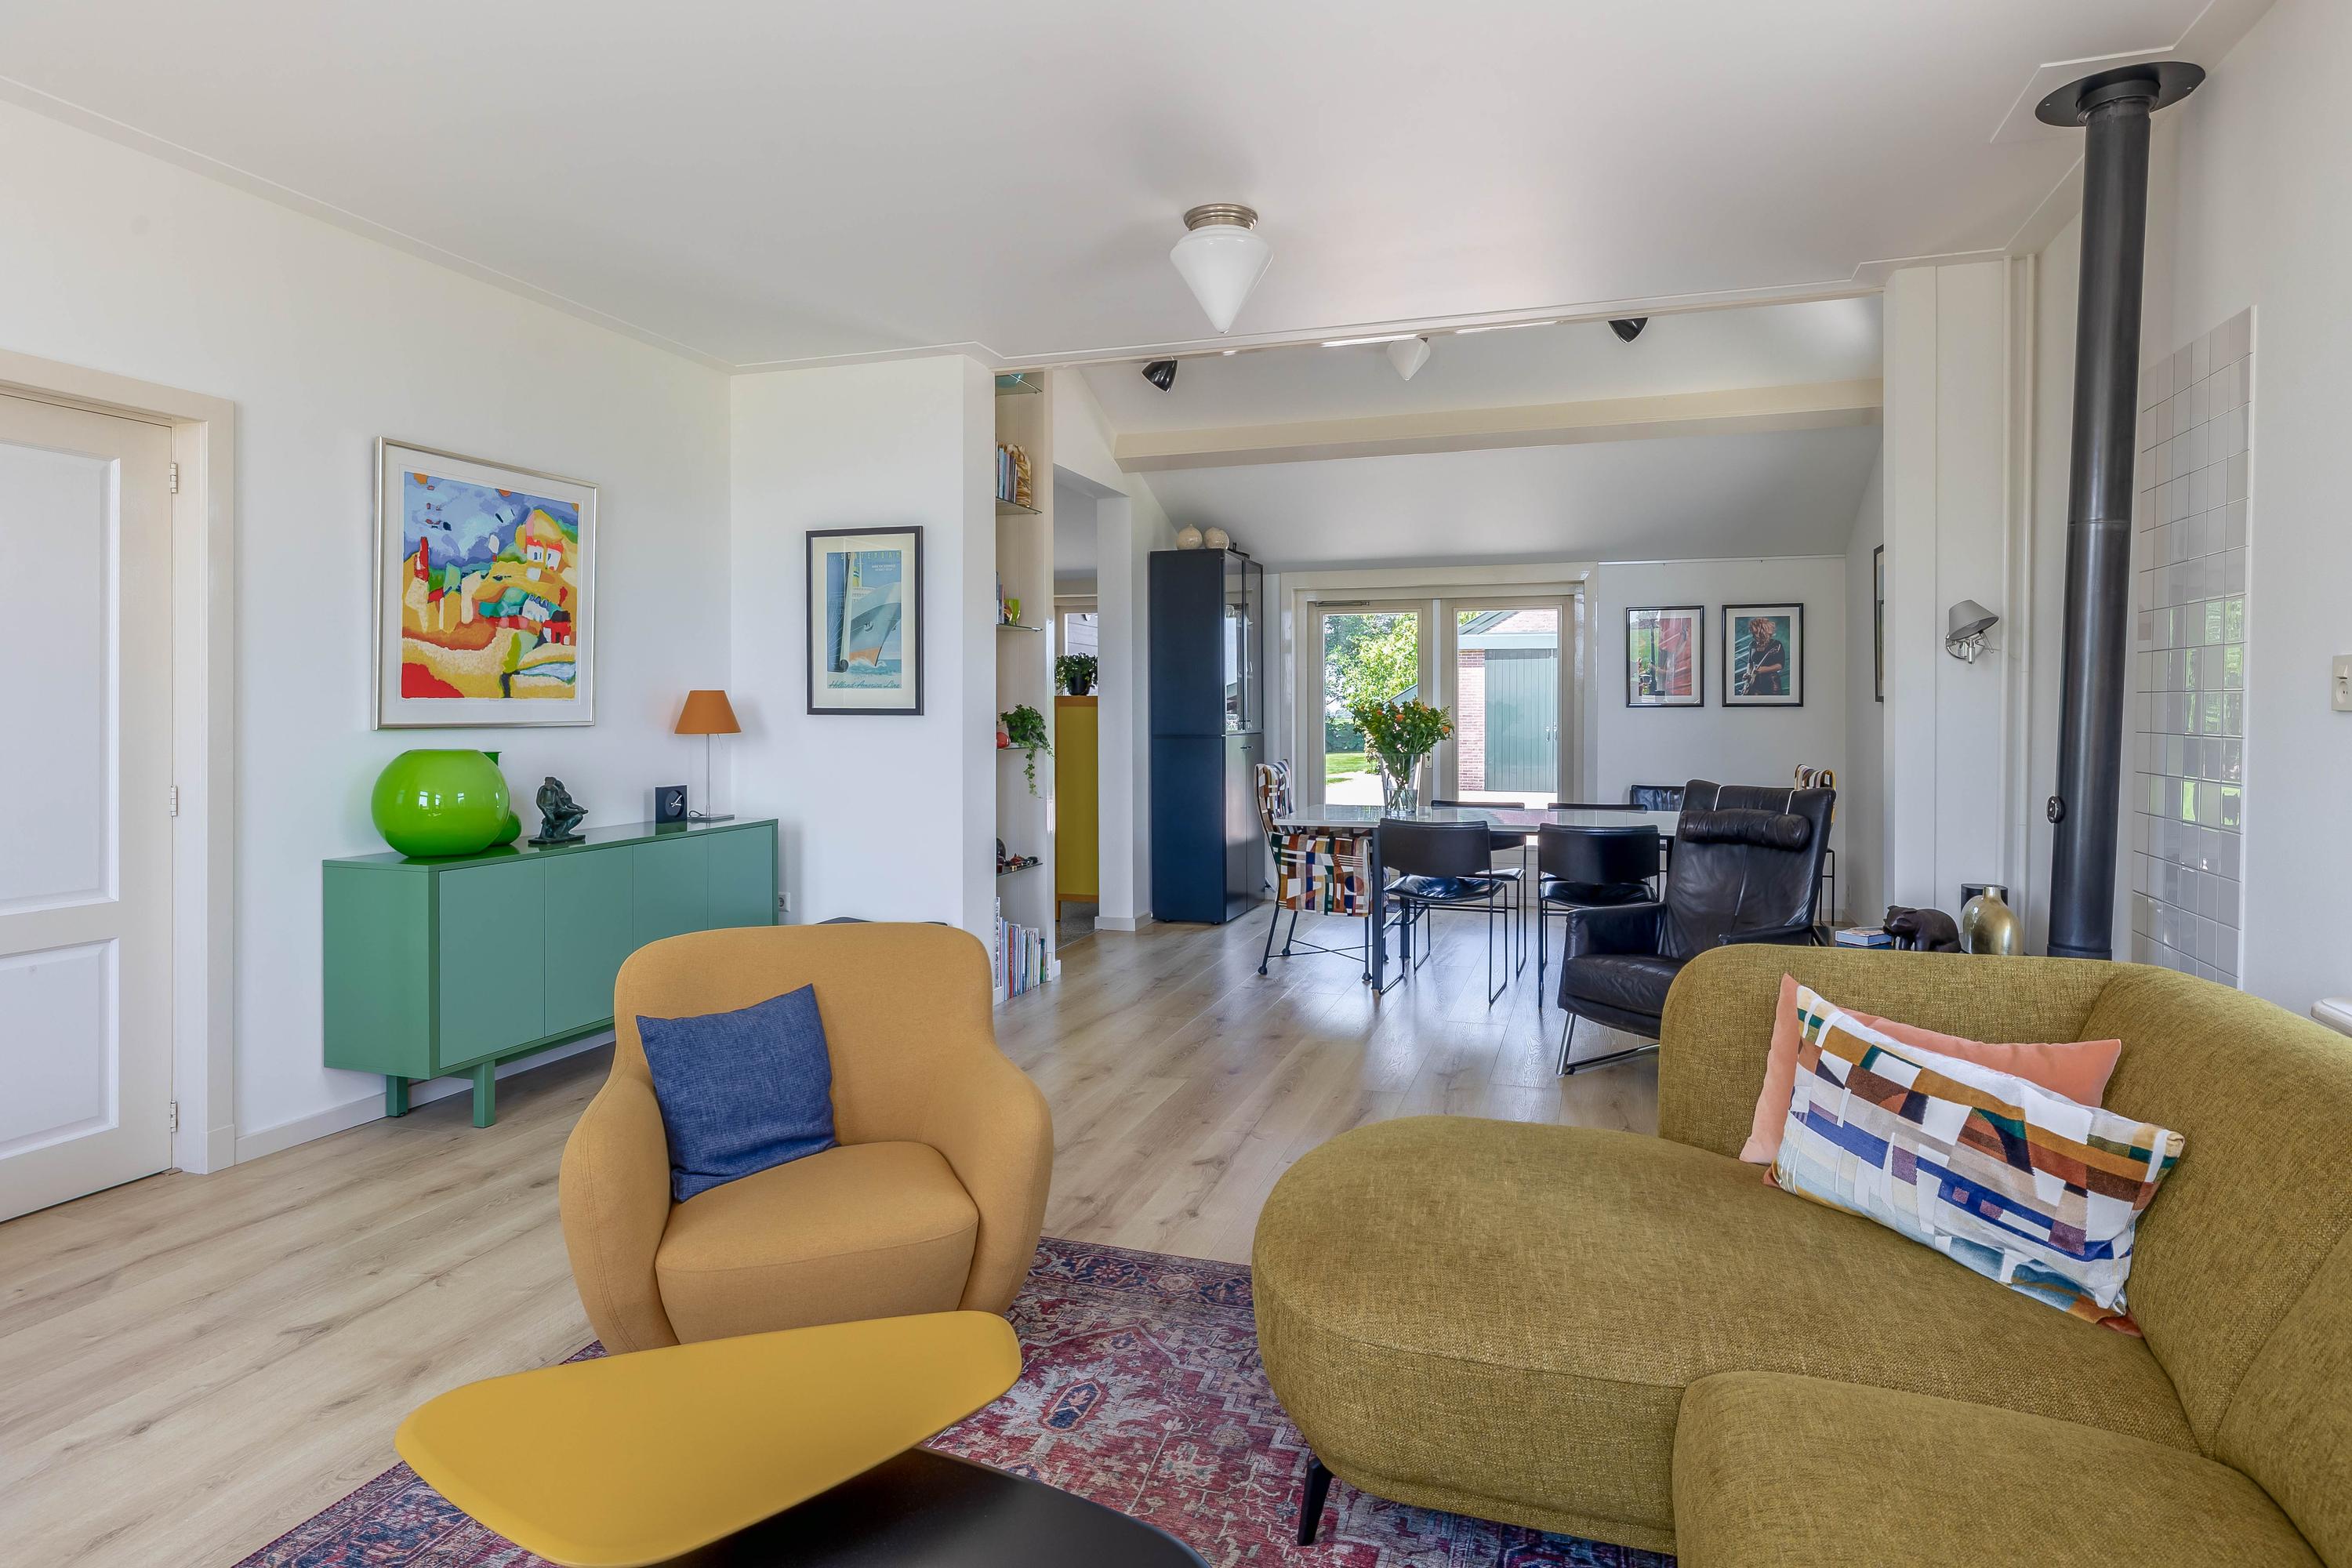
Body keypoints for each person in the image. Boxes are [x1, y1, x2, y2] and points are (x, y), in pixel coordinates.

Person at [1743, 617, 1788, 697]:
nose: (1752, 635)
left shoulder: (1776, 644)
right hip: (1754, 684)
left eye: (1754, 633)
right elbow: (1750, 663)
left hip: (1771, 684)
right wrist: (1748, 673)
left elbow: (1780, 665)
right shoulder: (1752, 644)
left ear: (1761, 632)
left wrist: (1765, 669)